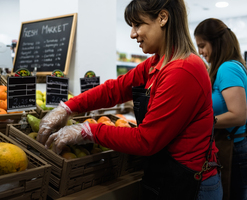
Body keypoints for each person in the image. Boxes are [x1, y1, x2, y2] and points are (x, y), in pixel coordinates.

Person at [37, 1, 222, 199]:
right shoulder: (156, 62)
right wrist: (67, 107)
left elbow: (146, 140)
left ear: (162, 18)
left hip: (190, 185)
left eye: (137, 24)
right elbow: (114, 89)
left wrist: (88, 130)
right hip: (166, 174)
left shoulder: (183, 70)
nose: (132, 34)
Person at [194, 18, 247, 200]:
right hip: (237, 147)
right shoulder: (232, 66)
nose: (200, 52)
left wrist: (202, 122)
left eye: (202, 45)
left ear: (216, 42)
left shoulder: (227, 68)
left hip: (234, 149)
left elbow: (238, 115)